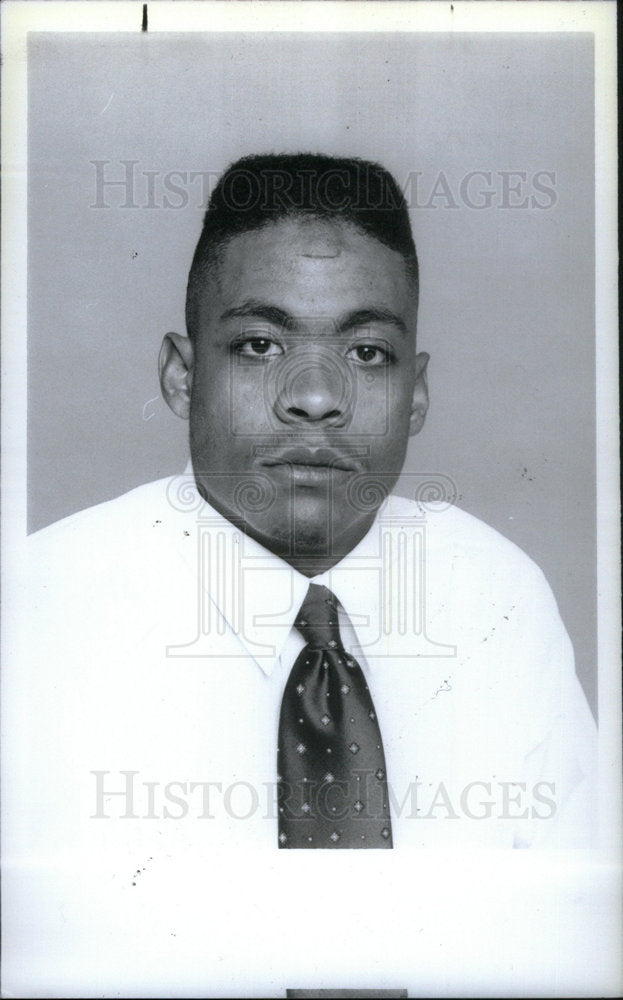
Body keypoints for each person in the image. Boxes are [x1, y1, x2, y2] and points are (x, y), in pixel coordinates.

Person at [4, 152, 597, 991]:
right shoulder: (35, 615)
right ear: (181, 376)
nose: (315, 397)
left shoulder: (498, 597)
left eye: (365, 352)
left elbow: (576, 947)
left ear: (416, 393)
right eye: (258, 344)